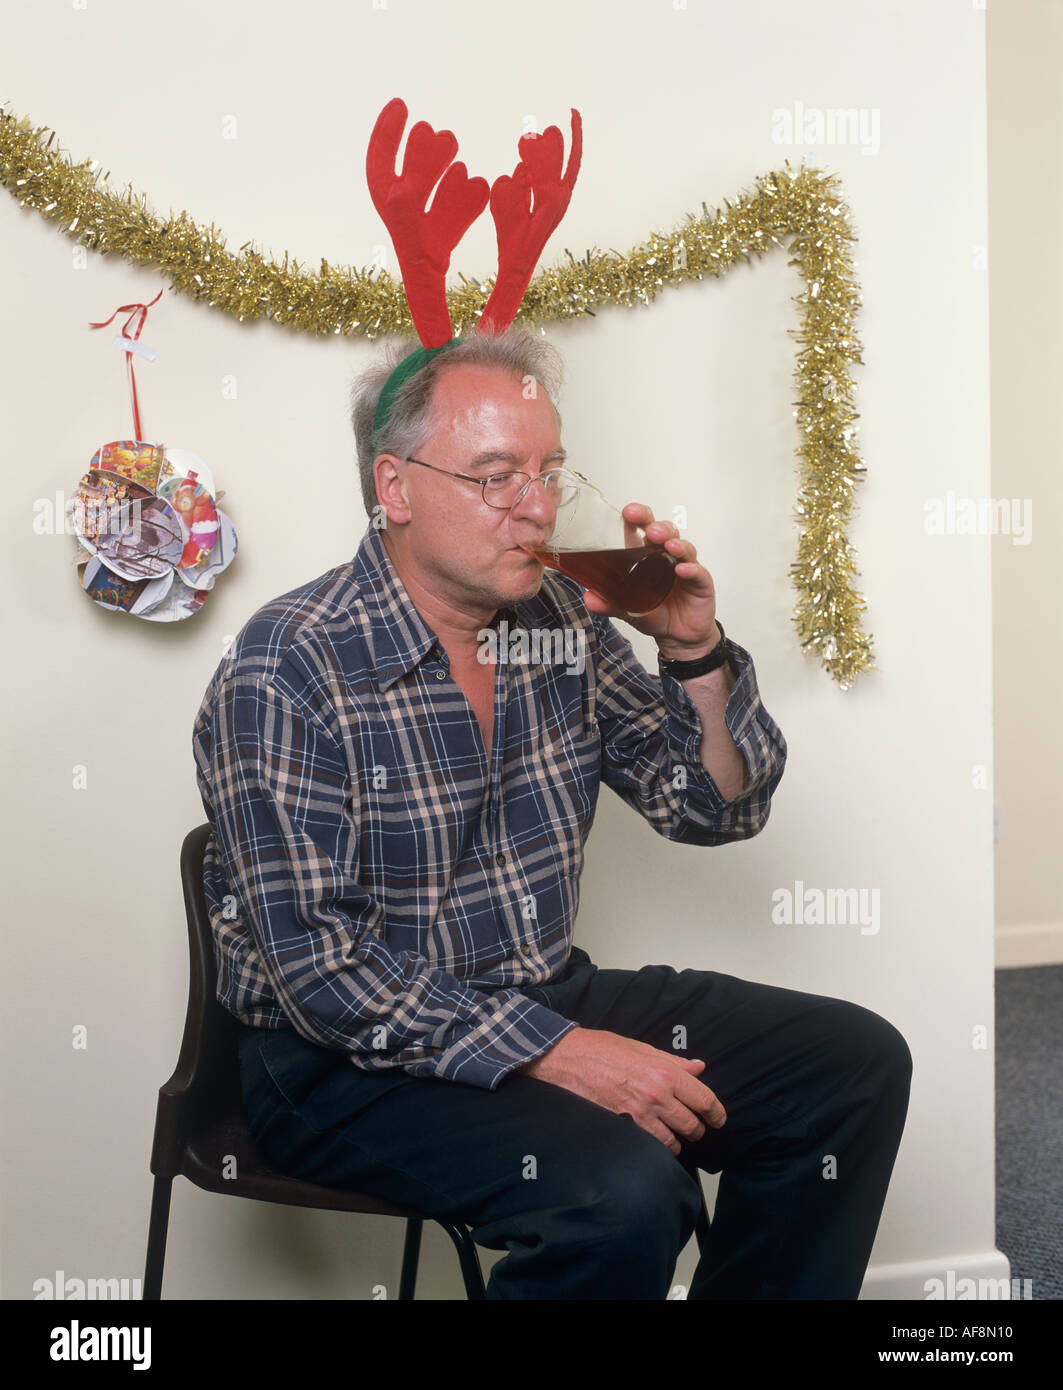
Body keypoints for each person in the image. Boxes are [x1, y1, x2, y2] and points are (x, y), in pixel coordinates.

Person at [192, 327, 912, 1299]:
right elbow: (324, 972)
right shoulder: (289, 665)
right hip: (338, 1062)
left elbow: (707, 811)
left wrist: (694, 653)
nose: (536, 508)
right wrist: (562, 1054)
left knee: (848, 1066)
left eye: (550, 472)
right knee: (622, 1194)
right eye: (496, 477)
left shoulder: (559, 622)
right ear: (395, 488)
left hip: (537, 993)